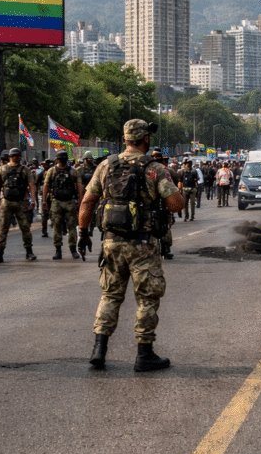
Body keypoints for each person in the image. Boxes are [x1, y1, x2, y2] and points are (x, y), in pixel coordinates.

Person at [77, 119, 184, 372]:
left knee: (110, 295)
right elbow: (176, 205)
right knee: (147, 298)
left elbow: (86, 202)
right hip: (143, 245)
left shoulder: (105, 165)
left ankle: (99, 349)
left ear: (125, 139)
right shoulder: (154, 169)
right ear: (146, 139)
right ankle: (144, 354)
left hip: (112, 242)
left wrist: (83, 233)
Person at [0, 147, 37, 263]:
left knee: (25, 227)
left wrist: (33, 199)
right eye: (16, 156)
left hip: (21, 201)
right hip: (6, 201)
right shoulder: (1, 169)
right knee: (3, 228)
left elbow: (32, 185)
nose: (18, 158)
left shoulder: (25, 170)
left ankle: (29, 251)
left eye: (19, 156)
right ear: (11, 157)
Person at [43, 149, 83, 259]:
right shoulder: (57, 171)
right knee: (63, 227)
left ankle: (68, 250)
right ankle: (62, 250)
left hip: (65, 202)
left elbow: (79, 186)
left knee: (65, 227)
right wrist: (44, 200)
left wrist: (80, 200)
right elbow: (46, 185)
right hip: (60, 201)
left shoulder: (69, 171)